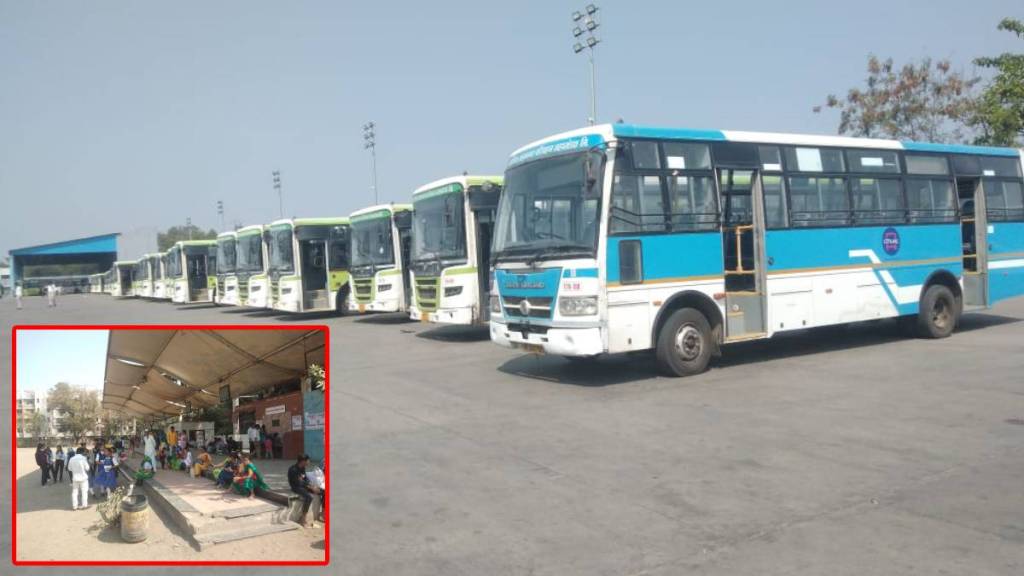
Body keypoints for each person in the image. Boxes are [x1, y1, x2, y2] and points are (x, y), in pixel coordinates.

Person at [288, 455, 324, 526]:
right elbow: (299, 482)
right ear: (303, 461)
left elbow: (305, 479)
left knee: (323, 491)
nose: (309, 462)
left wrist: (313, 486)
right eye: (308, 460)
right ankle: (303, 517)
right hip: (296, 487)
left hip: (303, 486)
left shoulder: (303, 468)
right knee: (309, 497)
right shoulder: (293, 470)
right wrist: (311, 488)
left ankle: (323, 513)